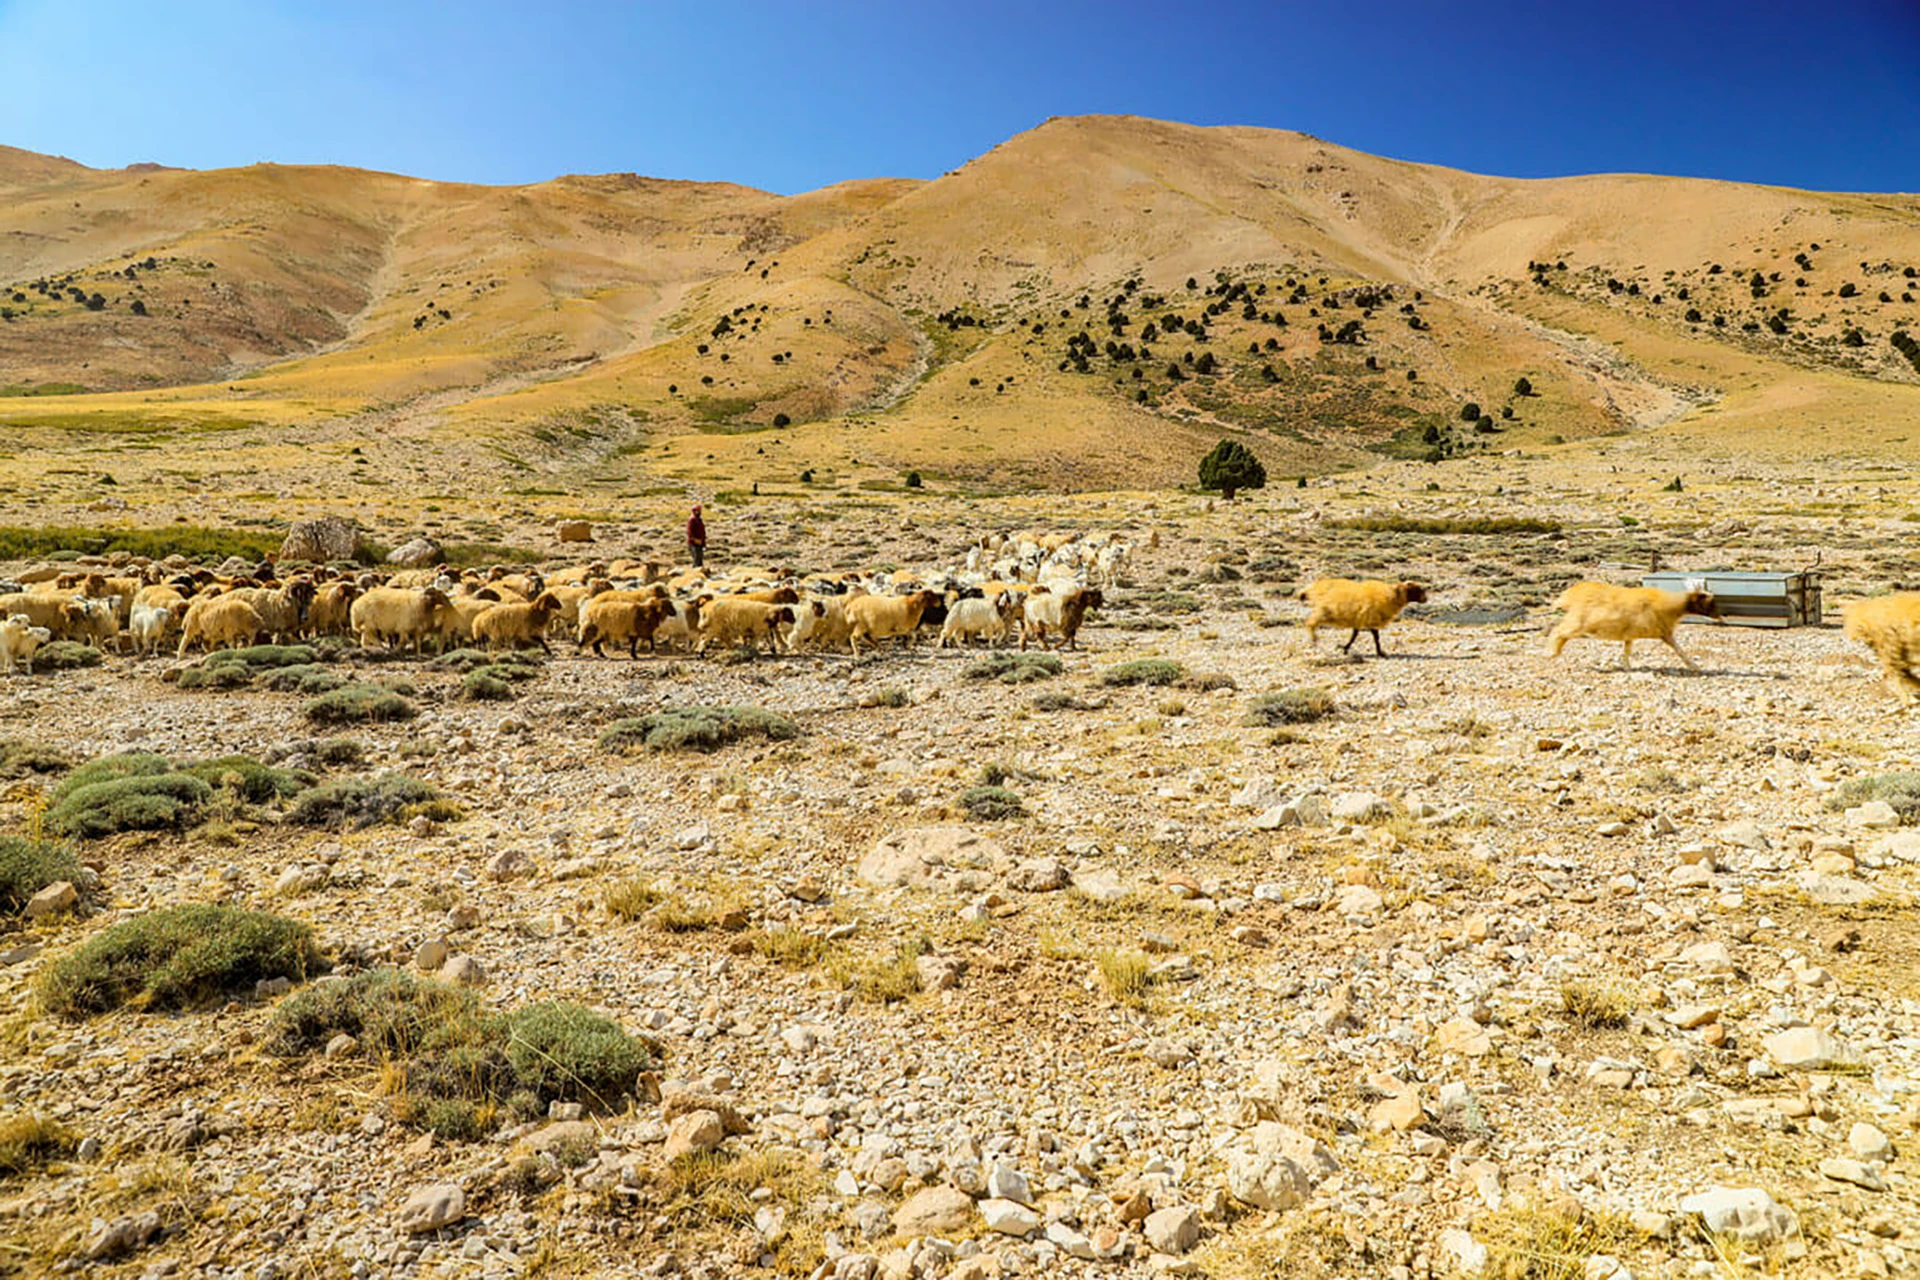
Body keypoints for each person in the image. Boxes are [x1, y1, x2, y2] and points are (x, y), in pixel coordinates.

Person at [686, 503, 706, 568]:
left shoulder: (699, 520)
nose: (699, 512)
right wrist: (694, 540)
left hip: (700, 543)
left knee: (700, 559)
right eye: (697, 510)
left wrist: (703, 542)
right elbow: (689, 532)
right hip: (693, 543)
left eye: (699, 510)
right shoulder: (692, 520)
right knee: (696, 559)